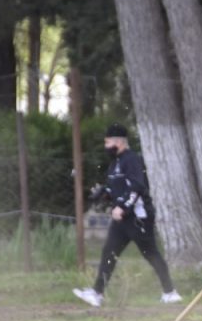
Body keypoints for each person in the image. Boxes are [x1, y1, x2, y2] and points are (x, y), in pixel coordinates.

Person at [73, 123, 181, 308]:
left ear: (118, 142)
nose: (106, 147)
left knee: (151, 253)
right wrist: (104, 193)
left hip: (138, 217)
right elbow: (115, 186)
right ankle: (97, 293)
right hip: (122, 221)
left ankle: (170, 292)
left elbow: (137, 186)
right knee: (109, 251)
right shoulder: (115, 163)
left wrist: (123, 207)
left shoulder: (132, 160)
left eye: (107, 142)